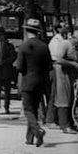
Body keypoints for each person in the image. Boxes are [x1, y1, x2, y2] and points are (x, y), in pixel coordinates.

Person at [15, 18, 52, 147]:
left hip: (27, 82)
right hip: (40, 82)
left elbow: (20, 67)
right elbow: (49, 66)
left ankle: (37, 131)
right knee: (34, 109)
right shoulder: (44, 46)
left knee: (28, 110)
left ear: (27, 31)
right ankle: (29, 138)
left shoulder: (24, 46)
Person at [0, 26, 17, 115]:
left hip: (7, 71)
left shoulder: (9, 46)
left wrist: (4, 62)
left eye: (1, 35)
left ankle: (6, 107)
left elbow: (13, 57)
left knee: (7, 91)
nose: (0, 37)